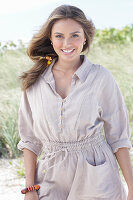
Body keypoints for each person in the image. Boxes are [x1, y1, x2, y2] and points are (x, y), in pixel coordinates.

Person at [17, 4, 133, 200]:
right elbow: (29, 140)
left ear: (85, 37)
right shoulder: (34, 82)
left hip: (97, 175)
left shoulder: (101, 77)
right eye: (59, 36)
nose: (67, 43)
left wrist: (132, 187)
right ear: (51, 39)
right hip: (49, 177)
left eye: (75, 35)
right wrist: (30, 189)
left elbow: (119, 138)